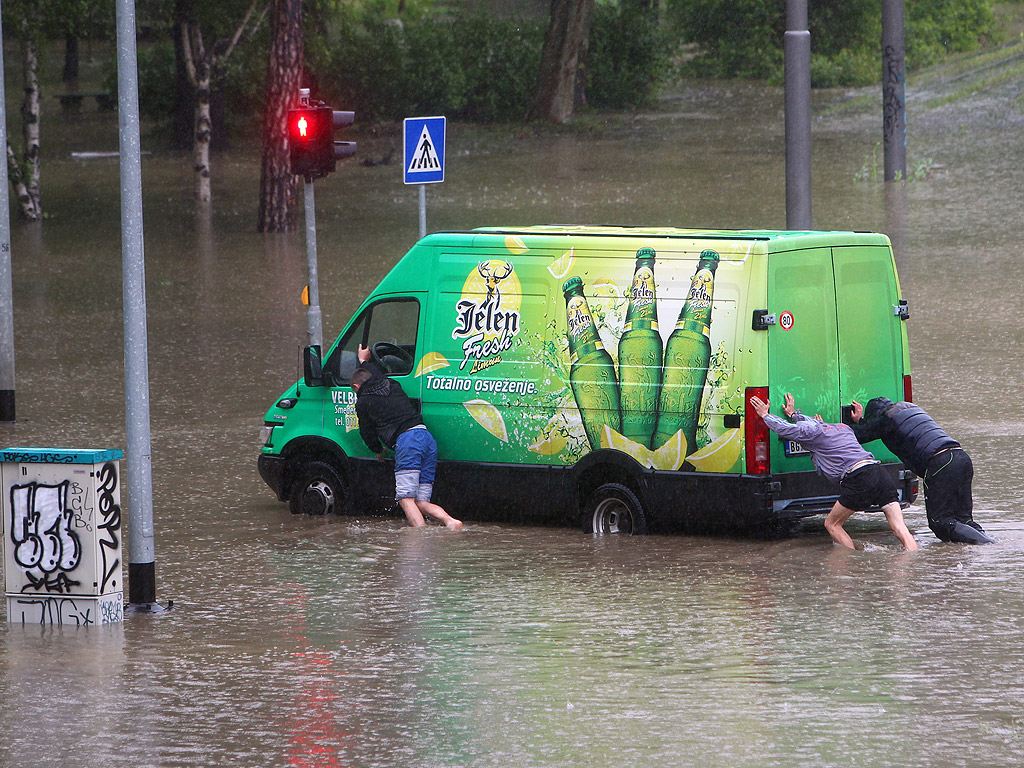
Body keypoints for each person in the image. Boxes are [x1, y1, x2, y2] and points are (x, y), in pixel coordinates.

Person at [749, 392, 918, 551]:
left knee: (832, 525)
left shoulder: (814, 432)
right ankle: (912, 563)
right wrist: (794, 415)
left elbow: (787, 429)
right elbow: (810, 423)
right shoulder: (842, 428)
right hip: (879, 473)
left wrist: (765, 415)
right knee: (899, 529)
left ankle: (852, 567)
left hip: (858, 478)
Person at [848, 397, 992, 544]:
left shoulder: (886, 419)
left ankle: (987, 545)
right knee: (964, 519)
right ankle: (984, 545)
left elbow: (855, 435)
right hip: (961, 457)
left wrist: (825, 426)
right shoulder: (910, 408)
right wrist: (862, 421)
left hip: (939, 462)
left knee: (939, 522)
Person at [351, 345, 463, 530]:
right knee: (420, 502)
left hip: (408, 442)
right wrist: (364, 361)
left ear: (356, 387)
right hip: (426, 438)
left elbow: (366, 431)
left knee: (405, 498)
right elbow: (376, 375)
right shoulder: (391, 384)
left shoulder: (363, 402)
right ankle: (451, 521)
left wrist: (378, 450)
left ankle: (420, 537)